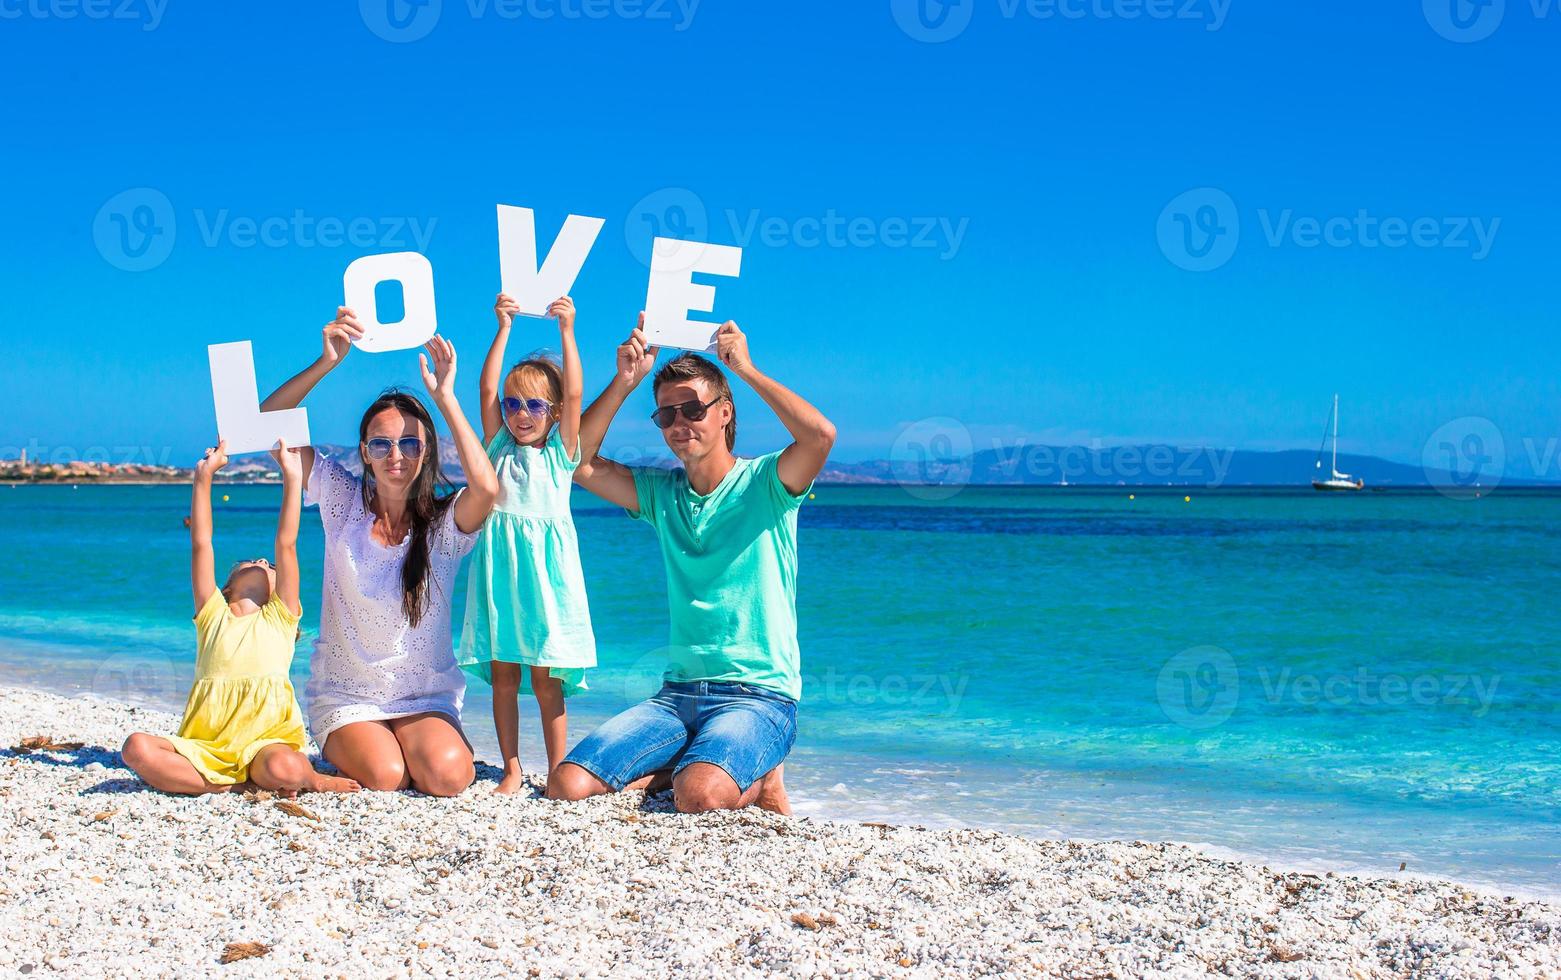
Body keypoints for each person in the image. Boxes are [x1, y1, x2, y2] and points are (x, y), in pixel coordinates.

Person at [549, 315, 834, 814]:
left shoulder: (767, 483)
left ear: (724, 413)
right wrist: (625, 381)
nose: (680, 423)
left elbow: (819, 437)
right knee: (566, 785)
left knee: (699, 796)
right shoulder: (662, 496)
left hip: (758, 697)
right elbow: (578, 461)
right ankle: (698, 767)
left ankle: (755, 775)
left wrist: (743, 368)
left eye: (694, 409)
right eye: (667, 415)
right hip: (676, 697)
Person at [258, 311, 500, 796]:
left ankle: (410, 743)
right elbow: (267, 426)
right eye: (382, 443)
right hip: (348, 696)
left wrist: (446, 397)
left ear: (427, 450)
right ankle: (358, 750)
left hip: (424, 695)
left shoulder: (443, 525)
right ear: (365, 451)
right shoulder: (341, 501)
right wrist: (326, 362)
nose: (397, 455)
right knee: (387, 776)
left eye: (410, 442)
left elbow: (487, 488)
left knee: (449, 777)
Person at [121, 439, 358, 797]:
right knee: (135, 748)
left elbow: (286, 542)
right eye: (254, 561)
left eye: (270, 566)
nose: (264, 561)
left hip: (266, 741)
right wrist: (204, 477)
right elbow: (202, 542)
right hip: (207, 743)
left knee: (288, 767)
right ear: (227, 587)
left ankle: (314, 780)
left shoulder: (280, 617)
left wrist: (292, 478)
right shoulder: (212, 614)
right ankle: (227, 782)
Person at [457, 294, 597, 795]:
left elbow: (578, 394)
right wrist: (503, 326)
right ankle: (513, 769)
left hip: (547, 577)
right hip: (500, 570)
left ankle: (558, 768)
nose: (520, 414)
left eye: (534, 405)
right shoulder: (498, 447)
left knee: (545, 678)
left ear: (553, 412)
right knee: (503, 675)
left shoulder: (562, 452)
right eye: (514, 405)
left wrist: (568, 330)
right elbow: (486, 386)